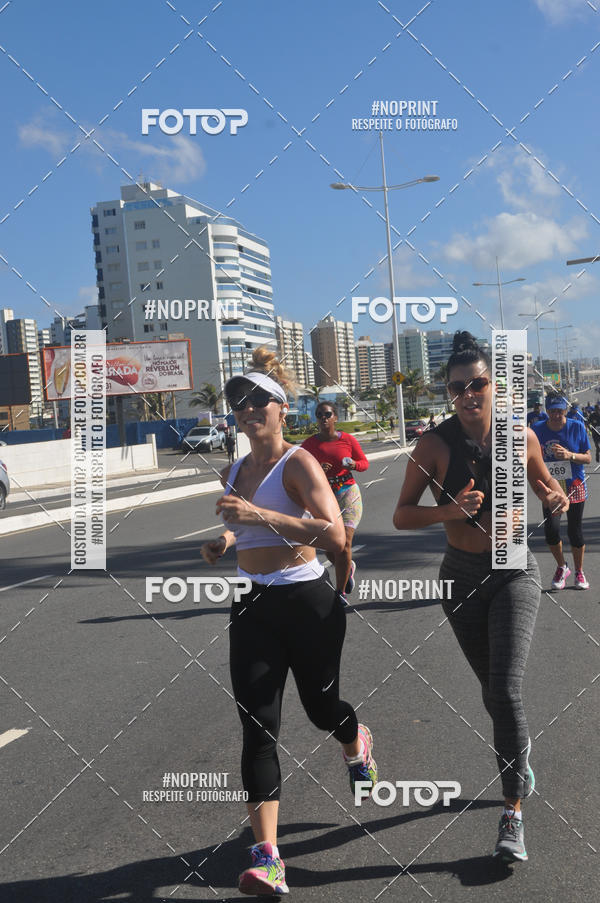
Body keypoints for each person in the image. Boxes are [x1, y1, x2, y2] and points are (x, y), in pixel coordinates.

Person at [200, 349, 377, 896]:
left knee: (323, 710)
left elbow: (334, 535)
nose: (246, 409)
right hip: (252, 604)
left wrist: (256, 515)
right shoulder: (236, 468)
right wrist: (226, 539)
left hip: (307, 602)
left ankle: (355, 740)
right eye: (237, 402)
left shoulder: (298, 463)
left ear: (281, 409)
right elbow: (248, 532)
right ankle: (268, 857)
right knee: (257, 727)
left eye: (257, 400)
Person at [393, 331, 569, 863]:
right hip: (461, 576)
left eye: (479, 383)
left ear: (494, 384)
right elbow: (402, 515)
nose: (469, 393)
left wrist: (554, 496)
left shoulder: (522, 437)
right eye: (458, 387)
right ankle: (519, 752)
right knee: (494, 695)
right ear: (448, 393)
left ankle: (512, 811)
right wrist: (449, 510)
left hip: (514, 571)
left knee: (507, 691)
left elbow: (547, 487)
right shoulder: (433, 446)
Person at [302, 402, 369, 597]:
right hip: (324, 497)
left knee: (345, 543)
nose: (323, 417)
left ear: (335, 417)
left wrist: (354, 464)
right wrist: (315, 470)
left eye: (327, 414)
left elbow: (364, 463)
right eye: (319, 414)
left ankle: (340, 593)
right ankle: (348, 567)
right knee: (330, 547)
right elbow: (298, 467)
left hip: (348, 492)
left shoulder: (347, 440)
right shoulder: (309, 444)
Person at [532, 392, 592, 590]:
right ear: (546, 410)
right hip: (551, 488)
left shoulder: (576, 427)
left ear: (566, 410)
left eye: (560, 411)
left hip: (574, 484)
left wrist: (569, 455)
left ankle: (579, 571)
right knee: (552, 530)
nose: (556, 415)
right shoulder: (537, 429)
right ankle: (561, 566)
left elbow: (588, 458)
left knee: (575, 532)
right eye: (552, 411)